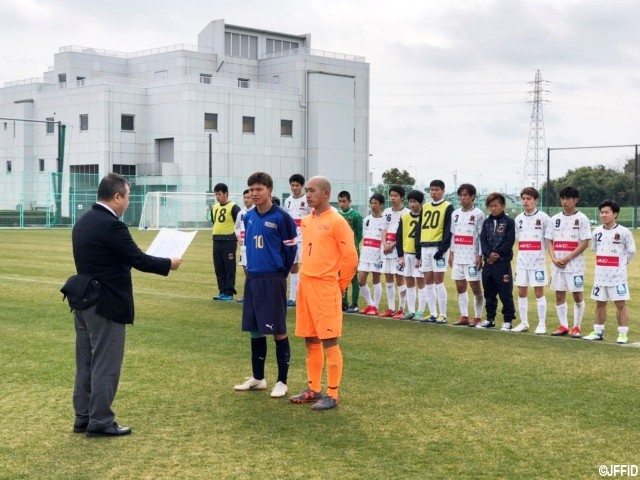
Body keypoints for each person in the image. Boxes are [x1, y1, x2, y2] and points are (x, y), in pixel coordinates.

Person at [65, 173, 181, 437]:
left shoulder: (82, 221)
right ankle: (101, 421)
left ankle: (83, 417)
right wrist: (168, 264)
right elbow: (138, 259)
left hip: (82, 300)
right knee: (106, 363)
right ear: (116, 196)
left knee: (85, 362)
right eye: (127, 196)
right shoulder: (112, 225)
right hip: (106, 303)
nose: (128, 201)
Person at [290, 176, 358, 410]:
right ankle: (314, 388)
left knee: (329, 340)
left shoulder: (337, 221)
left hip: (326, 286)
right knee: (310, 339)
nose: (307, 195)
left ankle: (333, 393)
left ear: (326, 193)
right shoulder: (307, 220)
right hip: (306, 284)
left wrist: (341, 285)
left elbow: (351, 257)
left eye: (312, 191)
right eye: (306, 190)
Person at [233, 172, 298, 398]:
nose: (254, 194)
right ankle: (258, 378)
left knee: (278, 330)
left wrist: (280, 272)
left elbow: (291, 249)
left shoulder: (282, 217)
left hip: (273, 279)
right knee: (254, 330)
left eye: (259, 189)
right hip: (253, 279)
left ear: (269, 190)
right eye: (251, 190)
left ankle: (282, 381)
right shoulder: (248, 217)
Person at [584, 200, 636, 344]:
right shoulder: (597, 232)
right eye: (602, 212)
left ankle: (623, 333)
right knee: (600, 303)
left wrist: (621, 264)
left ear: (615, 214)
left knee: (620, 304)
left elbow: (631, 252)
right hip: (600, 276)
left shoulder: (624, 232)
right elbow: (595, 250)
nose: (603, 215)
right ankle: (598, 331)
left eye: (606, 212)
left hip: (617, 277)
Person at [545, 186, 591, 337]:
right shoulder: (555, 219)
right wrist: (553, 258)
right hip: (557, 265)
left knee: (577, 295)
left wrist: (567, 258)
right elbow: (549, 240)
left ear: (575, 200)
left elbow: (585, 242)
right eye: (562, 198)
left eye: (567, 199)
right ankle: (563, 326)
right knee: (559, 295)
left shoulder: (582, 219)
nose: (564, 201)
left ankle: (576, 327)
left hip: (574, 265)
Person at [513, 187, 552, 334]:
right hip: (522, 263)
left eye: (528, 199)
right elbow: (516, 240)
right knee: (521, 291)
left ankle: (541, 324)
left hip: (538, 263)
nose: (525, 201)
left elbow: (548, 241)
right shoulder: (518, 219)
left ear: (536, 200)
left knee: (539, 292)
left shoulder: (544, 218)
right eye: (523, 198)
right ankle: (524, 323)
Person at [415, 179, 454, 323]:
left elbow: (449, 229)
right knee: (428, 281)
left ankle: (442, 315)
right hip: (425, 247)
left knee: (439, 281)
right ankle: (433, 313)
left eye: (437, 190)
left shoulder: (448, 206)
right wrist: (418, 250)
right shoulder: (425, 206)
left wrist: (443, 248)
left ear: (443, 191)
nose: (434, 192)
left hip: (438, 248)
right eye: (432, 189)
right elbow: (419, 228)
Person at [477, 192, 516, 330]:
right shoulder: (487, 222)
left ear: (503, 206)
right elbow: (483, 240)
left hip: (502, 263)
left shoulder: (509, 222)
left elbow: (509, 241)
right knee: (489, 293)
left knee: (505, 293)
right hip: (488, 264)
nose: (493, 208)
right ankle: (490, 318)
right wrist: (488, 255)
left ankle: (508, 320)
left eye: (496, 205)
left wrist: (497, 254)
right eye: (491, 206)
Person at [449, 183, 485, 327]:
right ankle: (464, 316)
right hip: (458, 256)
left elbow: (482, 237)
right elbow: (453, 235)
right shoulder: (455, 214)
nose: (462, 198)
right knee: (460, 287)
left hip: (472, 257)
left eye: (465, 195)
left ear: (472, 197)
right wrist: (451, 252)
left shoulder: (479, 214)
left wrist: (480, 255)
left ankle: (477, 317)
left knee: (476, 287)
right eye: (461, 195)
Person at [396, 190, 427, 320]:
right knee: (409, 282)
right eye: (411, 202)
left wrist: (419, 256)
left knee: (421, 282)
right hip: (407, 253)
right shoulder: (405, 217)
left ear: (420, 203)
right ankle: (411, 310)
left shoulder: (425, 216)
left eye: (415, 202)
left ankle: (420, 311)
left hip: (419, 255)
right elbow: (399, 236)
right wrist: (400, 256)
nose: (413, 204)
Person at [380, 186, 409, 318]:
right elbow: (383, 229)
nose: (392, 198)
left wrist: (392, 245)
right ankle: (391, 308)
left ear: (402, 197)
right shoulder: (386, 212)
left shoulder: (407, 213)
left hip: (399, 250)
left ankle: (401, 309)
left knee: (400, 278)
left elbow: (405, 234)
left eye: (395, 195)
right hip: (386, 249)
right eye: (391, 195)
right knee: (388, 278)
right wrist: (385, 244)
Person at [283, 174, 312, 307]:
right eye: (292, 185)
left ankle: (305, 296)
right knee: (292, 267)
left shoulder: (307, 200)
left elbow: (313, 217)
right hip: (291, 238)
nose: (294, 188)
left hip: (304, 238)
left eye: (297, 185)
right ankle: (292, 297)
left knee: (305, 267)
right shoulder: (287, 201)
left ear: (302, 186)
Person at [210, 183, 241, 301]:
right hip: (217, 240)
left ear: (226, 194)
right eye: (216, 194)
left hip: (229, 241)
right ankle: (221, 290)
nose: (217, 197)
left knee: (229, 267)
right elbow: (215, 222)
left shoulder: (234, 207)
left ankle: (229, 292)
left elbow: (238, 223)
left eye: (219, 194)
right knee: (218, 267)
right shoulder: (215, 207)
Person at [357, 193, 387, 316]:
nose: (373, 205)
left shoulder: (384, 220)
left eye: (376, 203)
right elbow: (365, 236)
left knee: (376, 279)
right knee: (361, 280)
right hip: (366, 253)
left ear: (381, 205)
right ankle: (370, 304)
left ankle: (376, 306)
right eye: (372, 203)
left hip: (377, 254)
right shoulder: (366, 220)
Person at [337, 190, 363, 313]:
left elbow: (359, 234)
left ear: (349, 201)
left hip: (352, 251)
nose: (342, 204)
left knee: (353, 277)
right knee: (342, 277)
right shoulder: (337, 215)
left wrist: (354, 246)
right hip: (339, 251)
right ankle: (344, 302)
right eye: (340, 201)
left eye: (344, 201)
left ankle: (355, 303)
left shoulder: (356, 216)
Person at [234, 189, 254, 303]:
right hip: (243, 246)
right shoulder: (241, 213)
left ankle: (254, 295)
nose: (246, 200)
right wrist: (238, 237)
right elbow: (236, 226)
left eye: (248, 197)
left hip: (253, 246)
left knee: (253, 270)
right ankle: (248, 296)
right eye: (245, 197)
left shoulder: (256, 212)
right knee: (245, 269)